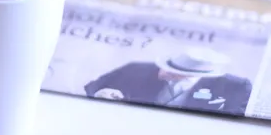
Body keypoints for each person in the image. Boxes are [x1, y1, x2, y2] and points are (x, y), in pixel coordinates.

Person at [84, 47, 252, 116]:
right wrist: (103, 94)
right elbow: (93, 87)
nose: (164, 72)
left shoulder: (235, 87)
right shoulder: (135, 69)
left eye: (176, 71)